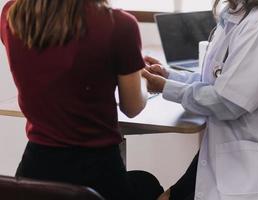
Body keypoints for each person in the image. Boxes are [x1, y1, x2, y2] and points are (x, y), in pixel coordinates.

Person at [142, 0, 258, 199]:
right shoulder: (235, 15)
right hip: (237, 148)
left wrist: (165, 87)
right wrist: (169, 76)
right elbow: (216, 83)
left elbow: (227, 102)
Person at [0, 0, 163, 199]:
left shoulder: (12, 14)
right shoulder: (118, 23)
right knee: (148, 185)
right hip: (98, 175)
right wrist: (141, 77)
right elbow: (133, 107)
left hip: (36, 172)